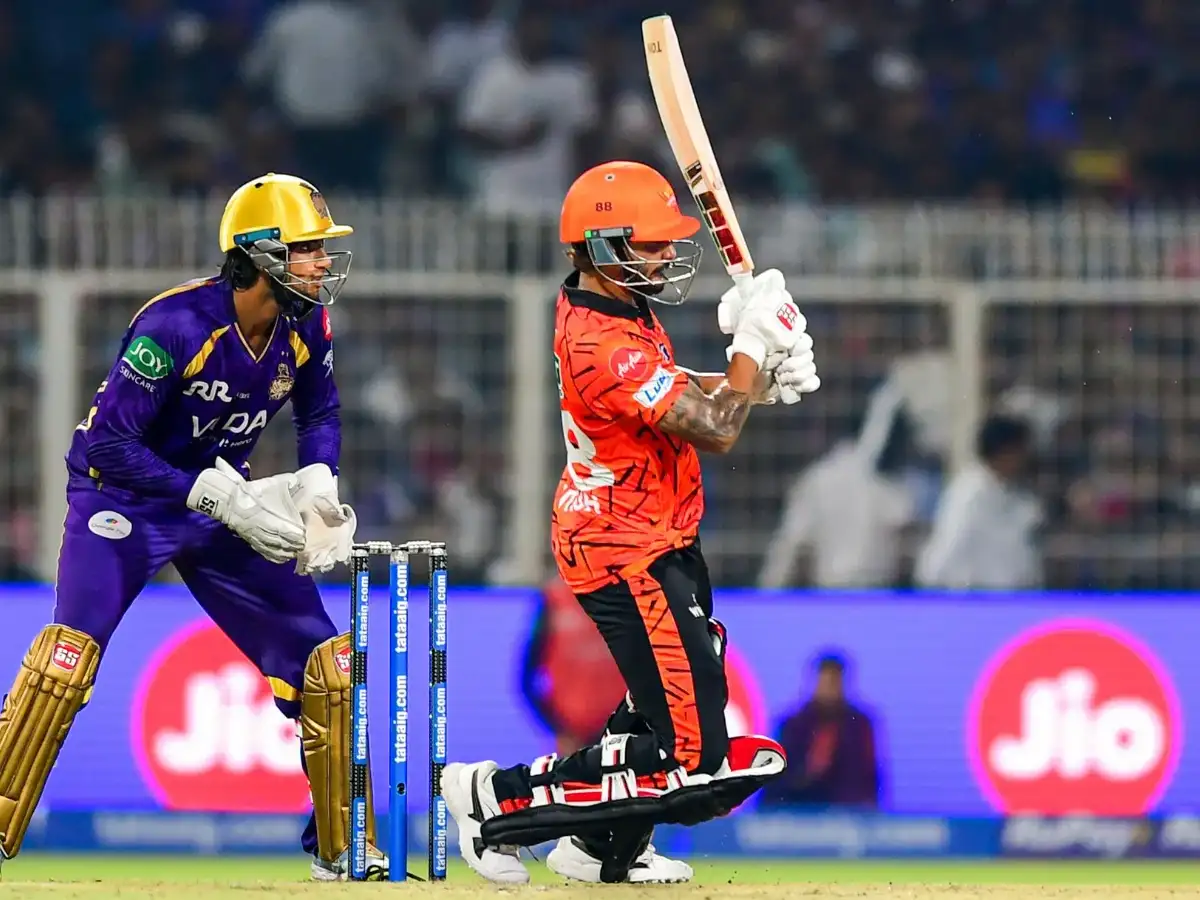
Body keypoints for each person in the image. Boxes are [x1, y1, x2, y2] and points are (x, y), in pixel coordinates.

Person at [439, 160, 821, 885]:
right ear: (600, 245)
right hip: (625, 550)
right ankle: (493, 798)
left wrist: (759, 381)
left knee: (666, 706)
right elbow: (715, 428)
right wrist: (749, 348)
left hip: (658, 535)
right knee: (695, 756)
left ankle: (600, 849)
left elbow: (676, 397)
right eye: (650, 243)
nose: (668, 254)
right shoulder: (601, 341)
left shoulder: (620, 310)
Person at [0, 174, 382, 881]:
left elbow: (320, 411)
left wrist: (319, 483)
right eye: (308, 249)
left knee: (329, 668)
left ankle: (343, 847)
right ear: (260, 253)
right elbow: (109, 444)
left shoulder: (305, 324)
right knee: (64, 662)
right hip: (123, 499)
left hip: (223, 501)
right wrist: (204, 492)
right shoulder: (174, 325)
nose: (323, 263)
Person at [760, 653, 881, 809]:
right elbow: (777, 780)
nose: (830, 689)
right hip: (798, 810)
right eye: (825, 682)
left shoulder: (859, 726)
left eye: (834, 682)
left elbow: (867, 778)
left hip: (846, 813)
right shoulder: (794, 725)